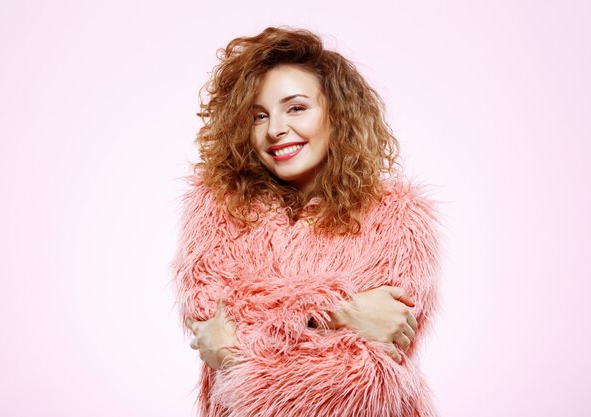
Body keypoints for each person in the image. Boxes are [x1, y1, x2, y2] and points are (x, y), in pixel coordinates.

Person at [169, 26, 443, 417]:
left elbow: (368, 369)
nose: (275, 129)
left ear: (338, 113)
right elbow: (212, 326)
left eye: (296, 108)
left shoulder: (397, 218)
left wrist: (252, 344)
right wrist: (346, 310)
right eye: (259, 115)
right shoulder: (218, 207)